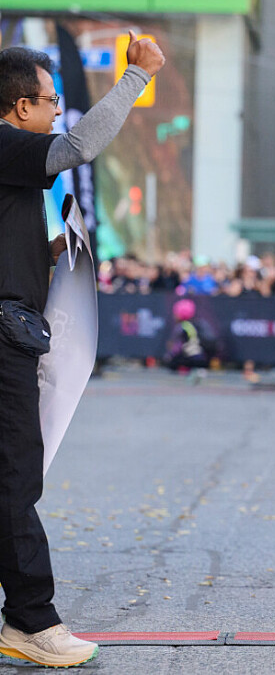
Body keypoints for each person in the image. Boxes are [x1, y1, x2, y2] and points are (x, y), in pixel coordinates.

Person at [0, 34, 164, 667]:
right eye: (51, 101)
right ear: (20, 107)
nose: (56, 113)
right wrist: (136, 78)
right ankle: (30, 621)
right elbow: (78, 147)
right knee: (15, 481)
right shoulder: (6, 144)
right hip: (5, 336)